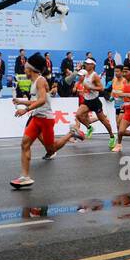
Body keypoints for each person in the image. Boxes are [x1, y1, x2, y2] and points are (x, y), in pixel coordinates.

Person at [10, 52, 83, 188]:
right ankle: (25, 177)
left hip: (45, 119)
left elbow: (42, 100)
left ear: (31, 69)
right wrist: (20, 101)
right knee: (25, 144)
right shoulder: (34, 82)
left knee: (52, 148)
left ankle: (72, 133)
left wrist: (25, 110)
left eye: (25, 68)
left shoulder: (41, 81)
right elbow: (36, 100)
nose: (24, 70)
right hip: (37, 118)